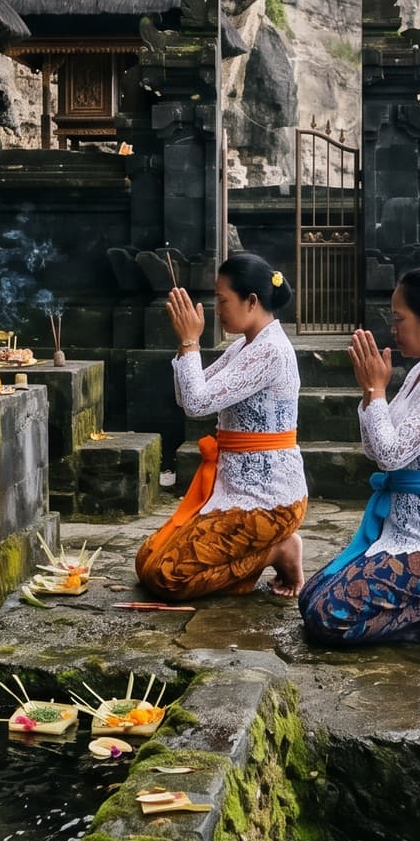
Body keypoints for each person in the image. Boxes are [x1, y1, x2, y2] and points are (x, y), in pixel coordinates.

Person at [297, 266, 420, 645]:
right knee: (310, 598)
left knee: (326, 619)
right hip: (403, 527)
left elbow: (390, 455)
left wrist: (377, 390)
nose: (393, 329)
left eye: (399, 319)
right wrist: (371, 395)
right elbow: (376, 448)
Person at [134, 253, 307, 600]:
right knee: (146, 560)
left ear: (252, 301)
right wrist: (186, 345)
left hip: (268, 500)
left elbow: (196, 404)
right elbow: (190, 397)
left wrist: (190, 342)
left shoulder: (270, 351)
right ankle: (272, 549)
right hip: (232, 491)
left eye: (223, 300)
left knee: (165, 578)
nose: (217, 308)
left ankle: (277, 550)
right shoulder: (245, 346)